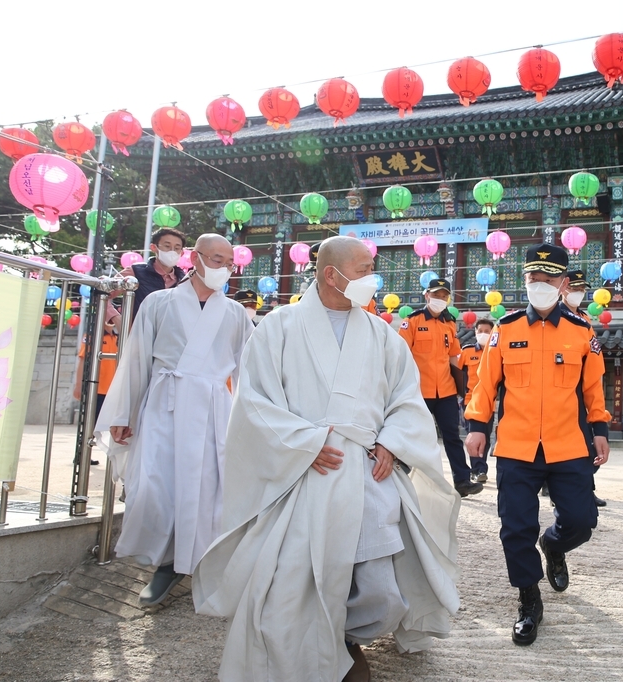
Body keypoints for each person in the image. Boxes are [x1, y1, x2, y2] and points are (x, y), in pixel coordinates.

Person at [193, 236, 460, 682]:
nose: (372, 279)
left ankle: (347, 636)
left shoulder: (382, 335)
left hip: (367, 469)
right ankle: (322, 645)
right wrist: (305, 442)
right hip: (306, 470)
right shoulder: (278, 326)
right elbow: (254, 401)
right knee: (295, 579)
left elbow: (406, 399)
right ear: (330, 274)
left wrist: (392, 442)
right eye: (362, 270)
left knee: (381, 589)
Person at [95, 234, 253, 607]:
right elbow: (136, 358)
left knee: (205, 488)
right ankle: (164, 558)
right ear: (194, 258)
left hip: (213, 408)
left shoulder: (233, 313)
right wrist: (124, 411)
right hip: (163, 405)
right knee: (153, 485)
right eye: (216, 259)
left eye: (228, 263)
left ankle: (192, 561)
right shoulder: (158, 303)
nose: (223, 268)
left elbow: (251, 370)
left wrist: (253, 421)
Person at [465, 243, 610, 646]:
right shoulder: (505, 329)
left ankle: (554, 544)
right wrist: (477, 426)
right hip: (516, 446)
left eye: (548, 278)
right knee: (515, 528)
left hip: (568, 444)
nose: (540, 285)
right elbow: (485, 384)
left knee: (581, 522)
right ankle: (529, 598)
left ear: (563, 283)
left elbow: (593, 387)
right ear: (524, 280)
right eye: (533, 278)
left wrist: (600, 429)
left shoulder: (582, 332)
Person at [400, 278, 482, 497]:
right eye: (436, 295)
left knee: (452, 437)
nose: (440, 299)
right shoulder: (412, 322)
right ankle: (403, 481)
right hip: (420, 391)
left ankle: (462, 481)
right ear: (427, 296)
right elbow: (401, 355)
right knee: (416, 437)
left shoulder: (449, 323)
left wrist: (466, 382)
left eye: (444, 296)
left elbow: (455, 356)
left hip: (445, 390)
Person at [562, 269, 607, 508]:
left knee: (588, 443)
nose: (578, 294)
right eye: (574, 289)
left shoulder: (584, 319)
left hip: (584, 388)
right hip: (564, 388)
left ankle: (586, 488)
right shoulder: (554, 316)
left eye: (582, 290)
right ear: (563, 288)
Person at [73, 302, 122, 467]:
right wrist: (79, 385)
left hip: (113, 389)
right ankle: (82, 454)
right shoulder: (92, 335)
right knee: (89, 423)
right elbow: (82, 360)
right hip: (96, 388)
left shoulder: (118, 338)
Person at [119, 228, 187, 315]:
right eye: (167, 246)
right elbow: (104, 292)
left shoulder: (185, 280)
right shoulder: (135, 272)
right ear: (154, 247)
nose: (172, 251)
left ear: (182, 252)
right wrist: (116, 318)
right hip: (138, 327)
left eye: (177, 248)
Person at [461, 317, 495, 483]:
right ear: (475, 332)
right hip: (470, 402)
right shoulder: (467, 352)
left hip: (489, 404)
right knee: (473, 435)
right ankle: (478, 470)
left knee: (486, 437)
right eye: (480, 331)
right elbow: (456, 374)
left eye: (487, 331)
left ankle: (481, 467)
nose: (483, 334)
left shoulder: (496, 351)